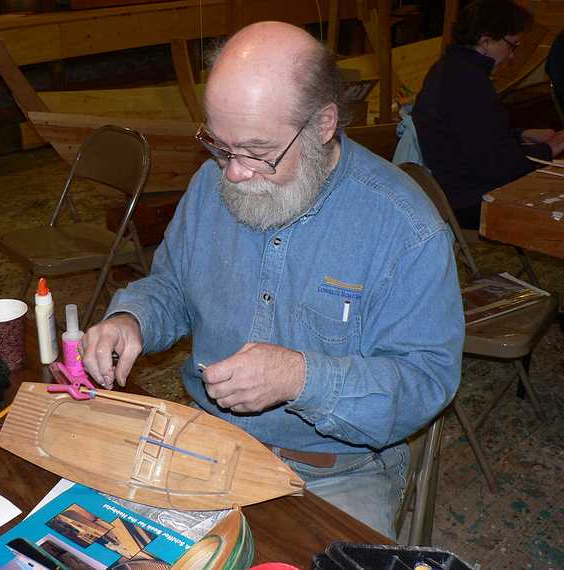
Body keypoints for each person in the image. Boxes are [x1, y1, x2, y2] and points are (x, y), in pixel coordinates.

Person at [79, 21, 464, 539]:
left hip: (336, 472)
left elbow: (423, 383)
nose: (233, 173)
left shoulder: (405, 227)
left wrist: (300, 378)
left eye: (257, 153)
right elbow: (171, 285)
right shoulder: (209, 185)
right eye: (220, 146)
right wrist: (134, 318)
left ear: (323, 123)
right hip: (210, 442)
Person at [412, 0, 564, 230]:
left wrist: (523, 135)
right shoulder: (468, 81)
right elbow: (495, 164)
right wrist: (547, 152)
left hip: (457, 189)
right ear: (486, 40)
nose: (512, 56)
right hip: (470, 199)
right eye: (512, 45)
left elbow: (474, 135)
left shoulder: (450, 68)